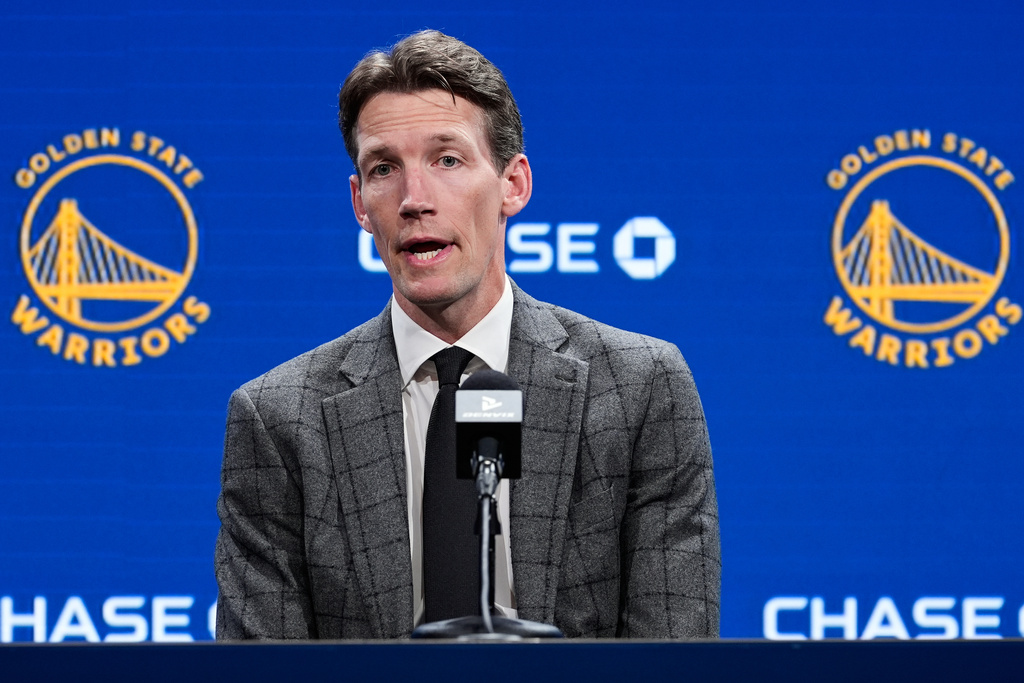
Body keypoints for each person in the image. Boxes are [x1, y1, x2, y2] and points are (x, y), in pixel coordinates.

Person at [214, 29, 720, 640]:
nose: (413, 199)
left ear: (513, 184)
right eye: (383, 169)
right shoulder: (278, 420)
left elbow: (672, 657)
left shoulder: (639, 389)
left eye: (447, 160)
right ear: (359, 203)